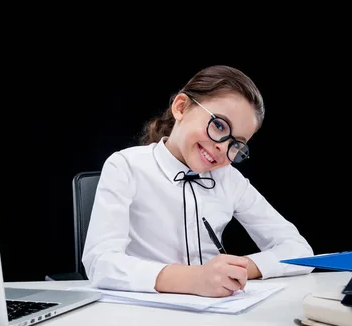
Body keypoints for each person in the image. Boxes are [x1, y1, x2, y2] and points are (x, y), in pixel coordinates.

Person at [82, 65, 314, 297]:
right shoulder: (126, 166)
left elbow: (298, 250)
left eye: (237, 145)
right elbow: (100, 262)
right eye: (219, 125)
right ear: (181, 107)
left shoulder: (230, 180)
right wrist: (193, 279)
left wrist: (233, 270)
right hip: (143, 312)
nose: (223, 148)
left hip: (214, 312)